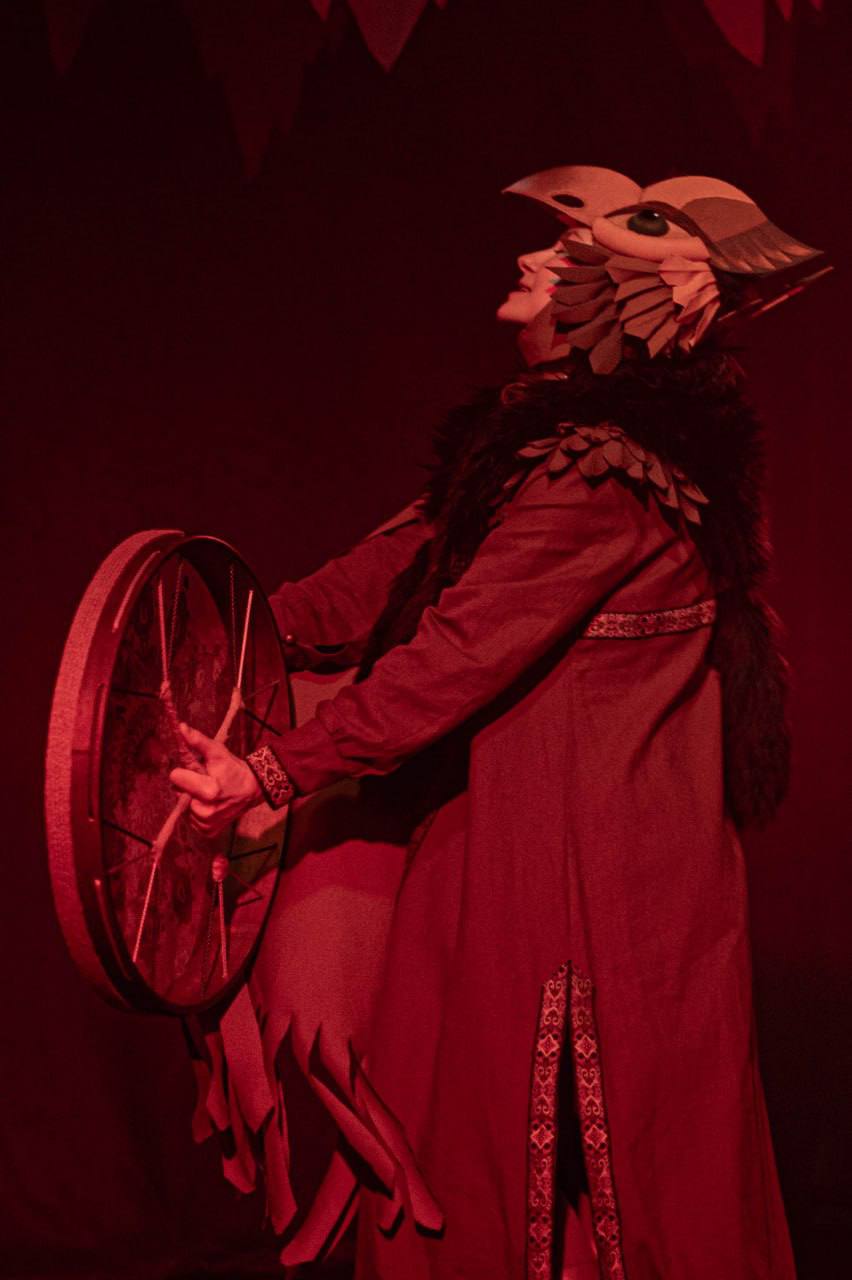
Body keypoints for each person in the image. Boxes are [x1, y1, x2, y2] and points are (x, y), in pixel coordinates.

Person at [172, 166, 826, 1279]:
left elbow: (455, 655)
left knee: (596, 1156)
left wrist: (272, 773)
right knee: (497, 1133)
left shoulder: (604, 480)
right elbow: (396, 571)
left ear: (613, 300)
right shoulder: (539, 445)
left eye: (565, 256)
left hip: (592, 878)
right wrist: (241, 632)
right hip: (514, 847)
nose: (529, 260)